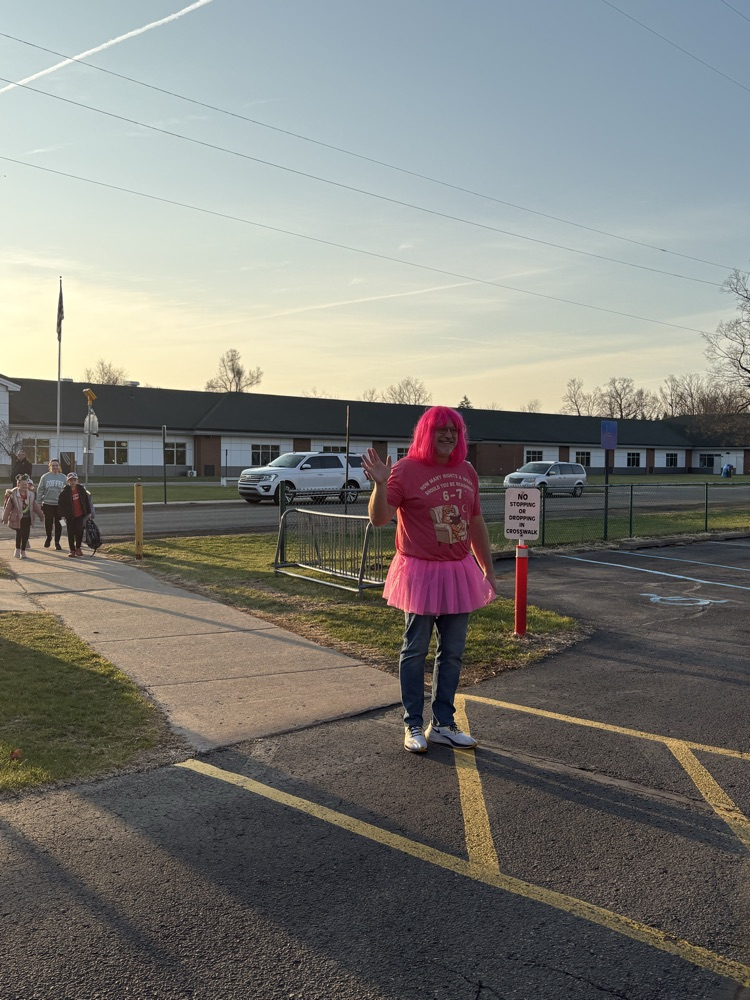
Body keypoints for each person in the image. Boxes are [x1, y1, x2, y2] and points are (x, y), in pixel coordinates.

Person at [362, 406, 497, 754]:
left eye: (454, 430)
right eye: (441, 430)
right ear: (427, 433)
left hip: (458, 570)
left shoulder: (467, 471)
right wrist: (380, 484)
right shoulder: (405, 470)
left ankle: (443, 724)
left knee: (452, 653)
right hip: (419, 570)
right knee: (415, 649)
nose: (449, 436)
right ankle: (412, 725)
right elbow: (379, 519)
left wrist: (488, 570)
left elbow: (477, 523)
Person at [2, 474, 44, 559]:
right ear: (18, 485)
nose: (25, 486)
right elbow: (8, 508)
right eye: (23, 484)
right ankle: (17, 549)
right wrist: (4, 518)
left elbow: (35, 506)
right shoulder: (13, 495)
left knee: (26, 534)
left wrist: (41, 516)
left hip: (27, 518)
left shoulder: (31, 495)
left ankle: (23, 551)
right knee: (19, 533)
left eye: (26, 484)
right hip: (17, 518)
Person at [56, 472, 93, 558]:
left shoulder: (81, 490)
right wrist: (62, 516)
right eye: (70, 480)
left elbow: (86, 502)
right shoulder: (64, 492)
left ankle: (78, 548)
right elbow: (61, 505)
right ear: (67, 482)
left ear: (77, 480)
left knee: (79, 531)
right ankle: (72, 550)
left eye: (74, 480)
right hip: (70, 516)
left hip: (80, 515)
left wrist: (89, 513)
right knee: (70, 533)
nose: (72, 482)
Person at [36, 458, 67, 550]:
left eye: (56, 465)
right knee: (48, 522)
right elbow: (40, 490)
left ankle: (57, 542)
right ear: (50, 466)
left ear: (59, 466)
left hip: (59, 506)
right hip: (47, 504)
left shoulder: (63, 477)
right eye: (53, 465)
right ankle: (48, 537)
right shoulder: (45, 477)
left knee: (60, 523)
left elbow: (67, 492)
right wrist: (38, 502)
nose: (55, 467)